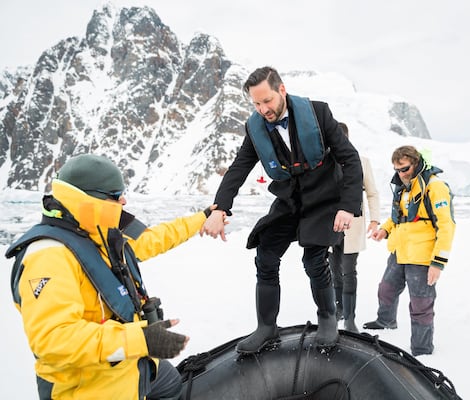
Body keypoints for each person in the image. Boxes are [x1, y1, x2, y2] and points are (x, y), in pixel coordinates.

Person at [5, 154, 218, 400]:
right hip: (91, 387)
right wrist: (142, 340)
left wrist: (201, 218)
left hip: (128, 365)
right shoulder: (49, 257)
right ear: (91, 200)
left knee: (170, 383)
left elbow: (153, 239)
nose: (124, 201)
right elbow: (53, 340)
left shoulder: (101, 237)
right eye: (116, 196)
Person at [201, 66, 363, 353]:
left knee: (314, 260)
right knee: (265, 254)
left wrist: (348, 207)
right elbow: (239, 168)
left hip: (324, 198)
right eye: (256, 104)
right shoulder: (255, 128)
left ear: (282, 90)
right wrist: (220, 208)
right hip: (290, 200)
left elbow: (350, 159)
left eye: (268, 101)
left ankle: (327, 318)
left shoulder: (318, 113)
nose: (264, 109)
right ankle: (266, 327)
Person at [363, 145, 455, 357]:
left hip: (422, 257)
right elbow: (398, 216)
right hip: (400, 250)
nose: (400, 174)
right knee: (386, 288)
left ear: (416, 163)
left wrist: (438, 263)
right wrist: (385, 230)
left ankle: (422, 350)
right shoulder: (405, 187)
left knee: (421, 304)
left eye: (404, 169)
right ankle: (386, 320)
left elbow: (446, 226)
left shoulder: (435, 187)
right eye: (396, 170)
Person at [328, 122, 380, 332]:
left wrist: (374, 220)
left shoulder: (361, 161)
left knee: (348, 270)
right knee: (333, 269)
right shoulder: (324, 161)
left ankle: (350, 318)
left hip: (353, 225)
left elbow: (372, 193)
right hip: (329, 227)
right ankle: (338, 310)